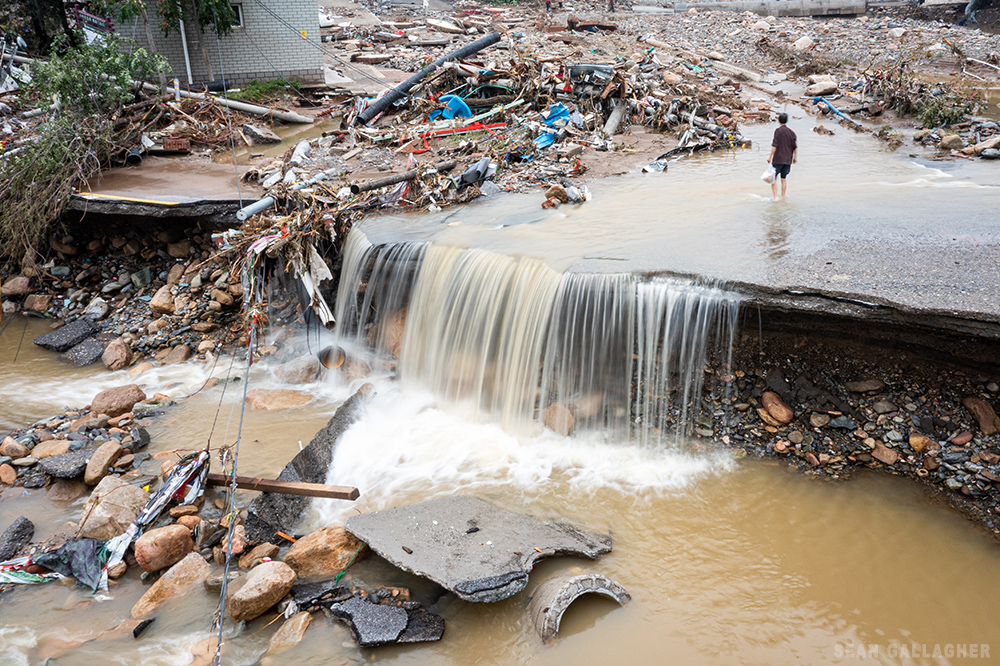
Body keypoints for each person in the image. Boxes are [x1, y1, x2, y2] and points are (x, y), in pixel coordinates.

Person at [767, 112, 797, 201]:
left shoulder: (778, 131)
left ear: (779, 121)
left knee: (773, 179)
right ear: (786, 121)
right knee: (783, 179)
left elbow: (774, 145)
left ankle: (775, 197)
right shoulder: (792, 133)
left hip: (778, 159)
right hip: (788, 159)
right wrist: (795, 157)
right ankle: (783, 196)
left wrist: (770, 157)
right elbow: (794, 147)